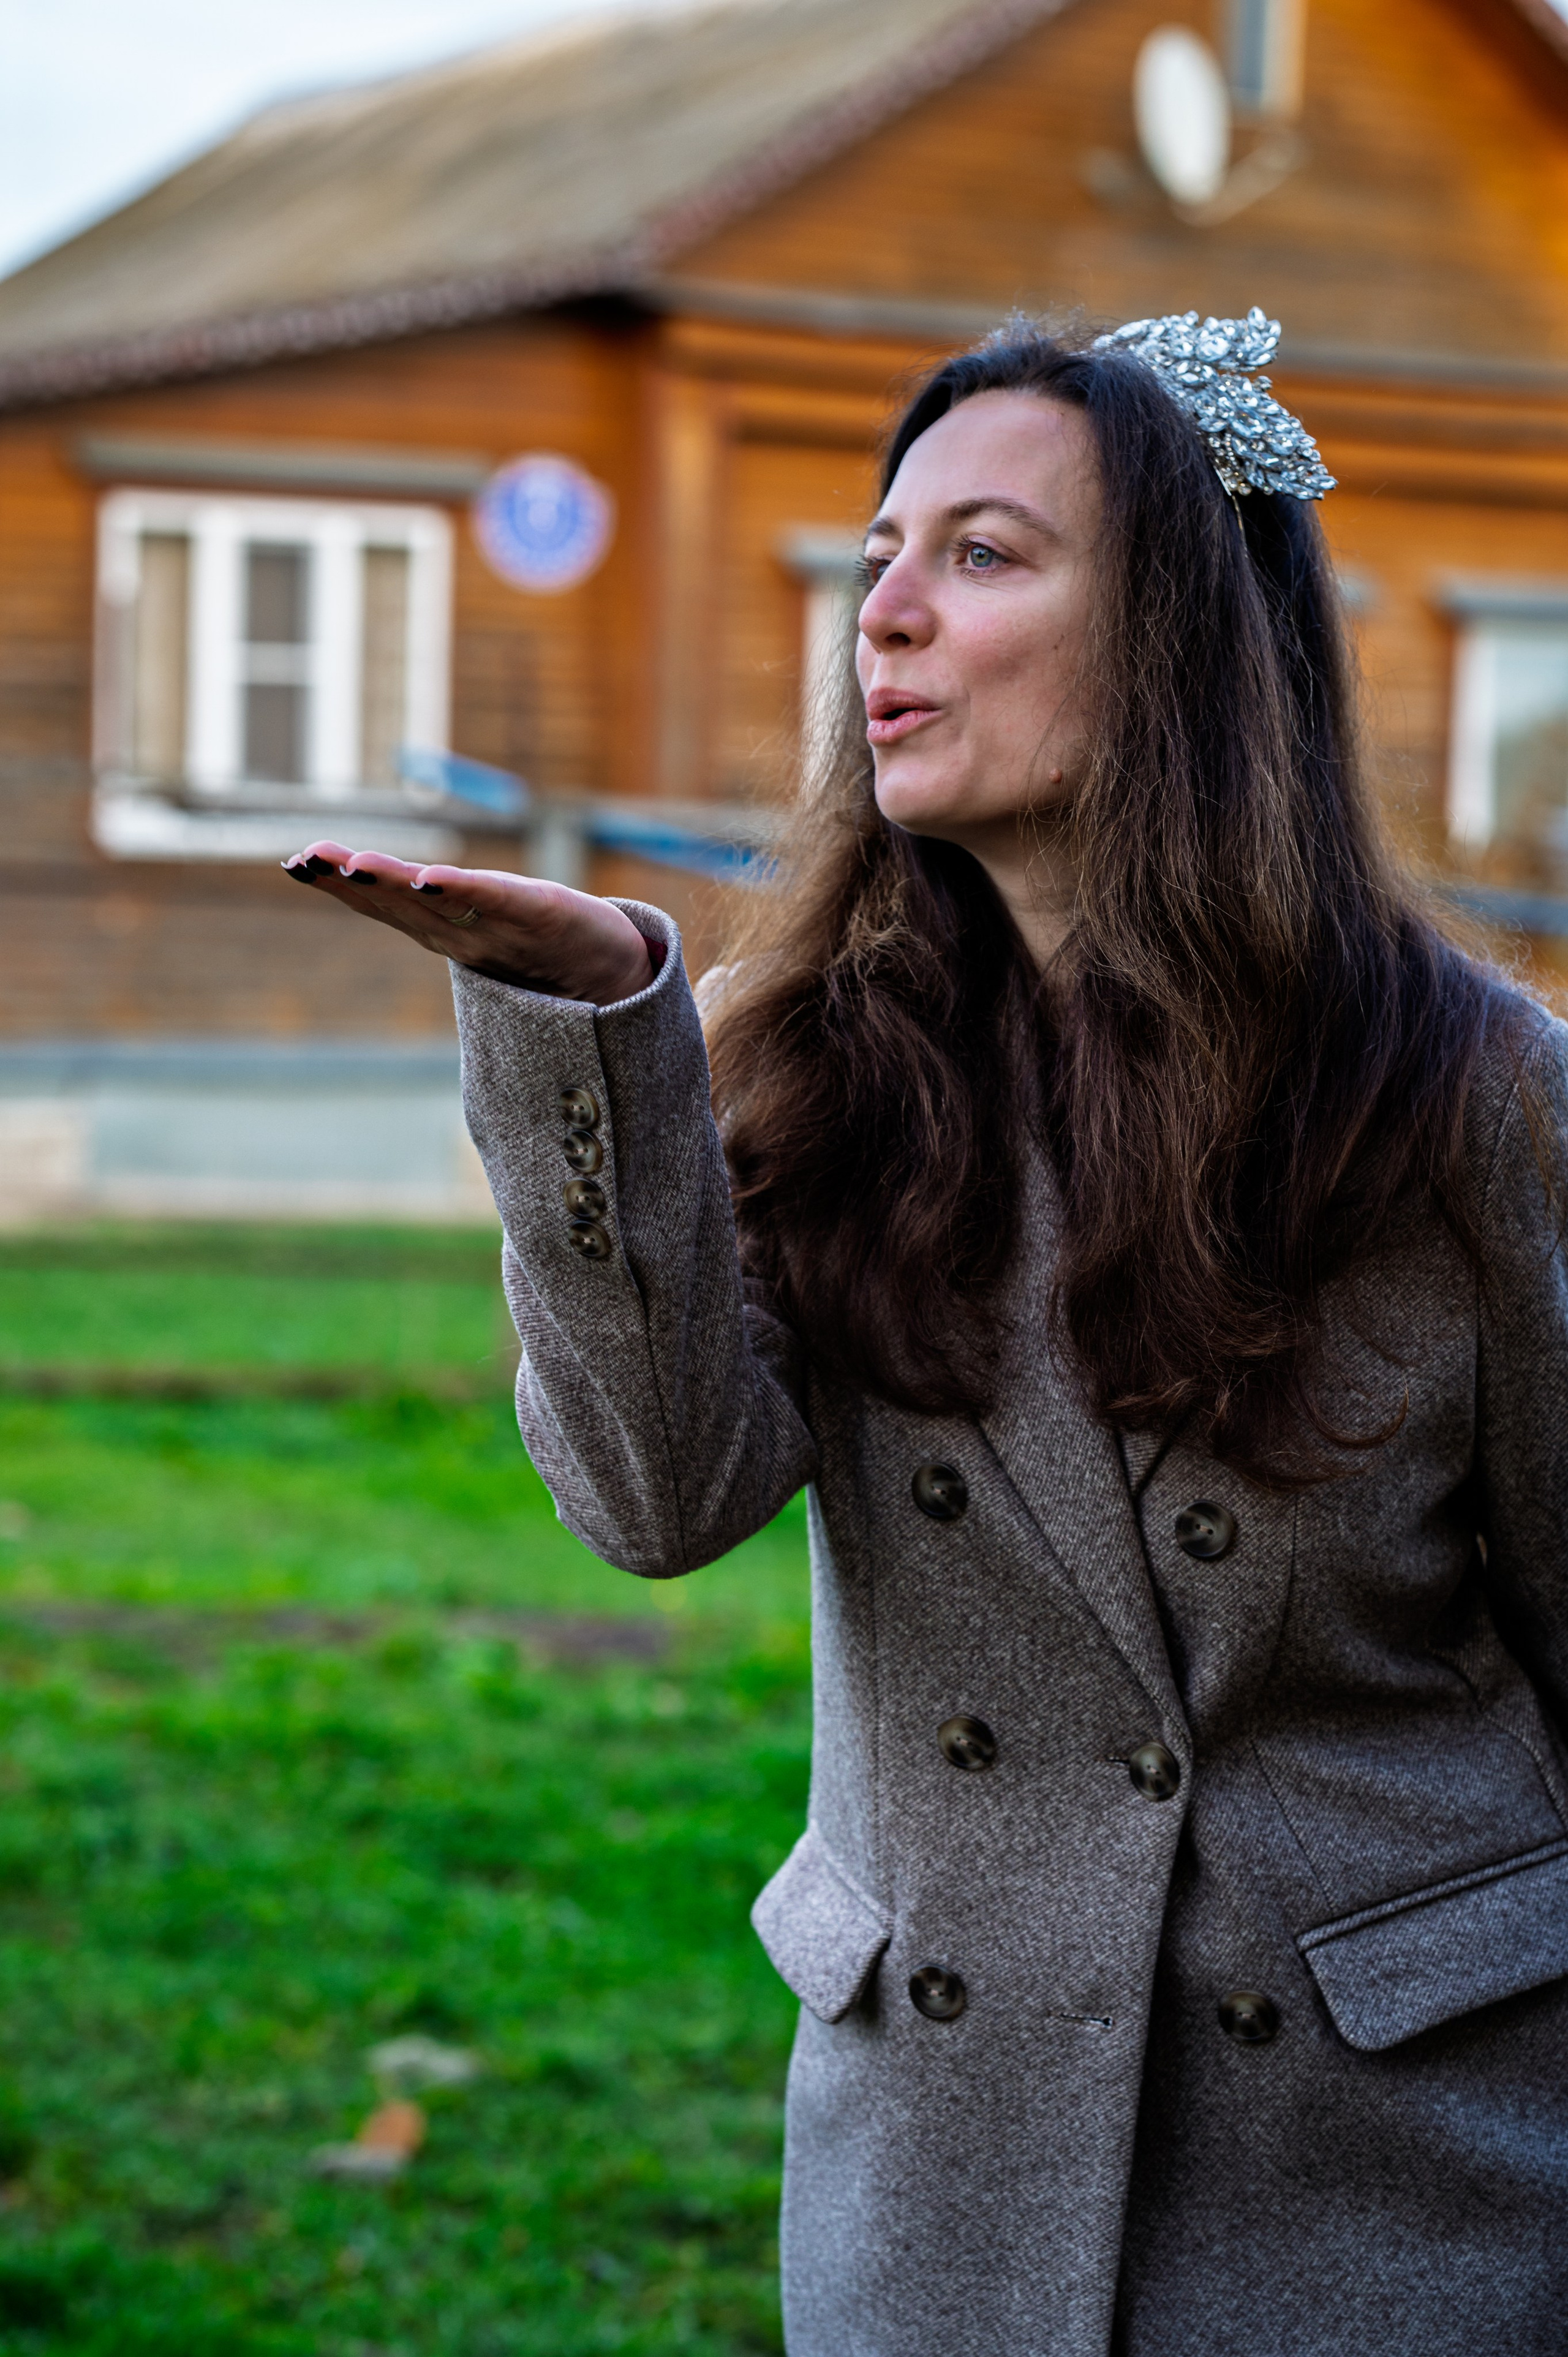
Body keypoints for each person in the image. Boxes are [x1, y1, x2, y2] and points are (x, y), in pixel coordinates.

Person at [284, 312, 1568, 2357]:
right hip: (952, 2163)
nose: (878, 615)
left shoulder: (1470, 1095)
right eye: (879, 553)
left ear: (1180, 639)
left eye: (982, 556)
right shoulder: (801, 1070)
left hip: (1405, 2170)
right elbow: (651, 1498)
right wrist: (595, 1042)